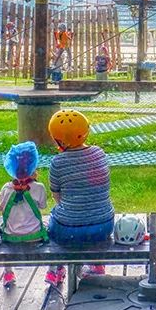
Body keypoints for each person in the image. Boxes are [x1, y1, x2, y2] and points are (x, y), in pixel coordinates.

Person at [46, 110, 114, 285]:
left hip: (69, 231)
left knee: (53, 222)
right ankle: (97, 265)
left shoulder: (57, 162)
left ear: (59, 140)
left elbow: (57, 196)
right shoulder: (99, 153)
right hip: (104, 226)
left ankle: (57, 269)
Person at [0, 141, 48, 289]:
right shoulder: (39, 188)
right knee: (50, 227)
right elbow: (43, 206)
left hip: (11, 237)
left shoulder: (6, 188)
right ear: (33, 166)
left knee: (4, 228)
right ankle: (53, 272)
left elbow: (1, 208)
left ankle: (8, 273)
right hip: (35, 236)